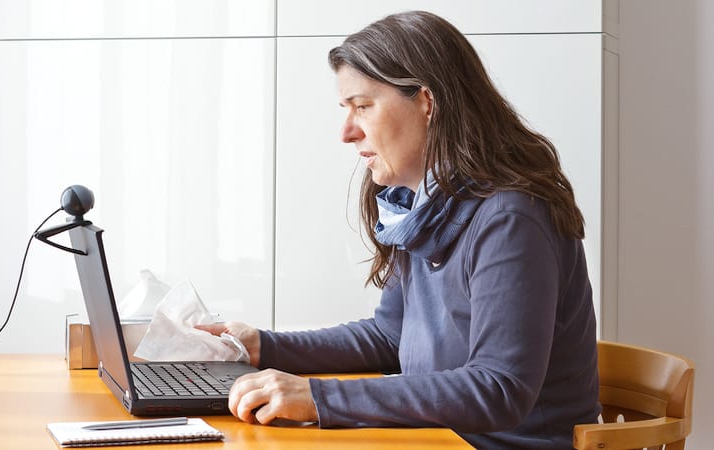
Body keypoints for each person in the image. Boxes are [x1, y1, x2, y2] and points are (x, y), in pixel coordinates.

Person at [198, 10, 600, 449]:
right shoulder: (425, 203)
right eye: (346, 110)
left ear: (426, 102)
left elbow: (498, 388)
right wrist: (262, 346)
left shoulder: (510, 218)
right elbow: (390, 336)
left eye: (363, 106)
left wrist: (318, 396)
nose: (347, 132)